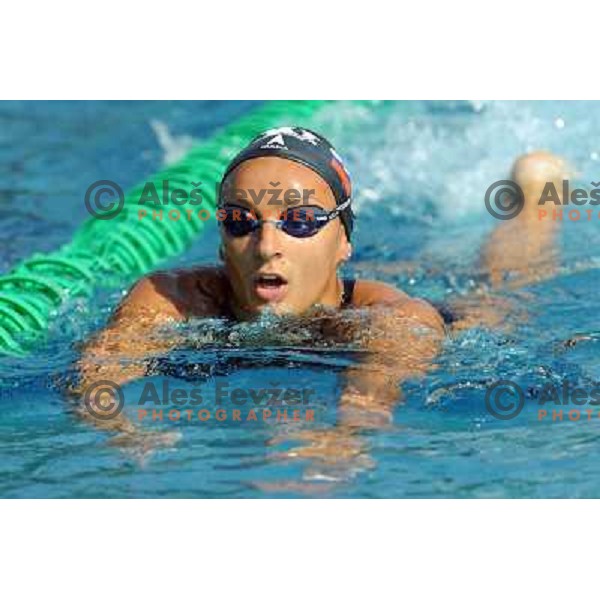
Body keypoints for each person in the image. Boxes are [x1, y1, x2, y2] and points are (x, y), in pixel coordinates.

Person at [71, 126, 568, 472]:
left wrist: (346, 435)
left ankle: (537, 201)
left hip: (450, 310)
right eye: (242, 223)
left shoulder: (391, 318)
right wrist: (117, 426)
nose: (267, 246)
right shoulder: (174, 298)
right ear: (222, 240)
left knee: (500, 286)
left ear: (343, 242)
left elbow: (376, 388)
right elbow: (99, 372)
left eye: (301, 221)